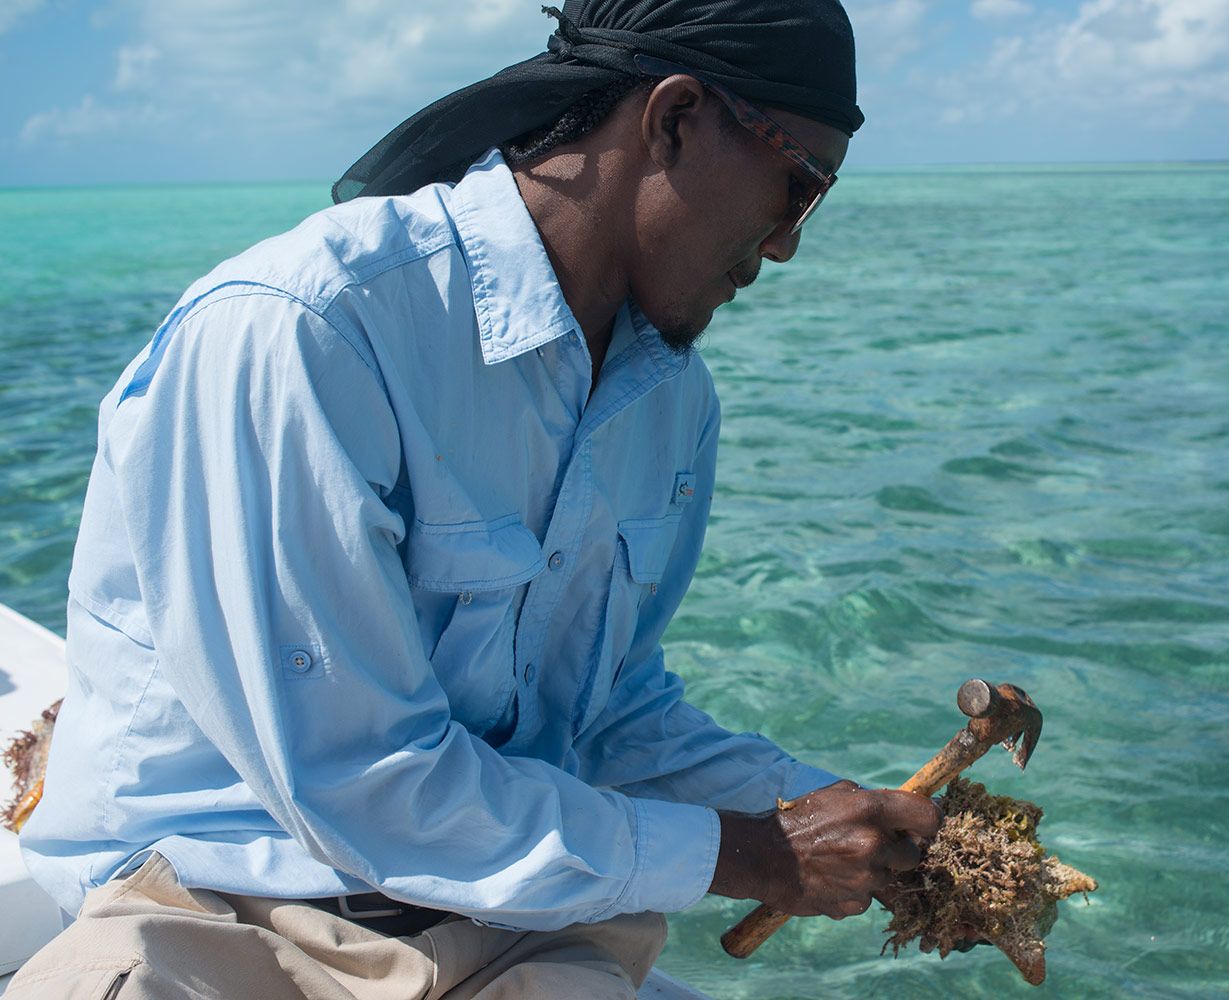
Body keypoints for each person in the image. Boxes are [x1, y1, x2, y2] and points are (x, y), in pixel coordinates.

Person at [10, 1, 943, 997]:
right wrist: (753, 854)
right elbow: (360, 778)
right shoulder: (305, 331)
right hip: (214, 919)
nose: (789, 244)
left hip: (501, 927)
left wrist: (831, 814)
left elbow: (611, 712)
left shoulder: (673, 402)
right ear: (672, 120)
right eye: (799, 185)